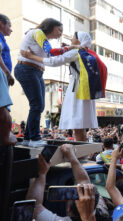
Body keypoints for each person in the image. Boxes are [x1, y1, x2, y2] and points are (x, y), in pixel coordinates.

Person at [20, 31, 107, 142]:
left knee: (78, 126)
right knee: (81, 127)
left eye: (73, 38)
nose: (71, 40)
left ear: (79, 40)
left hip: (77, 90)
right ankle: (82, 154)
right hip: (85, 90)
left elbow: (54, 61)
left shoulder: (77, 51)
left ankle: (81, 155)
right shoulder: (89, 52)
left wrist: (31, 56)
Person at [15, 18, 64, 147]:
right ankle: (35, 139)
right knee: (37, 105)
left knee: (39, 106)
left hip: (36, 72)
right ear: (51, 27)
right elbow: (52, 52)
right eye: (59, 29)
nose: (61, 33)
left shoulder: (44, 40)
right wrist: (71, 47)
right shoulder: (37, 33)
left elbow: (52, 57)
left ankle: (27, 138)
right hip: (27, 69)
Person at [0, 14, 14, 86]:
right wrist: (7, 73)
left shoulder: (2, 39)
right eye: (9, 25)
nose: (11, 30)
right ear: (1, 23)